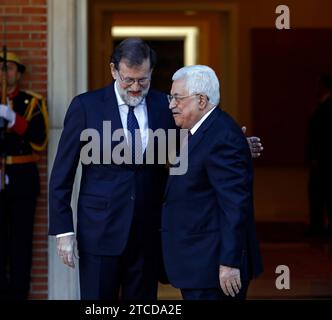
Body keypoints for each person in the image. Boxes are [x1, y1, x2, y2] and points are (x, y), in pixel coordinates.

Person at [48, 38, 263, 300]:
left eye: (143, 80)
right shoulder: (85, 106)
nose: (136, 87)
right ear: (114, 71)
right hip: (100, 233)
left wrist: (238, 144)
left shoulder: (165, 104)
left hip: (149, 232)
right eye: (128, 80)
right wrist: (63, 230)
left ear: (150, 73)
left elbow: (198, 138)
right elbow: (62, 174)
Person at [161, 65, 263, 300]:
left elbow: (234, 206)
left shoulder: (222, 137)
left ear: (201, 100)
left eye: (177, 98)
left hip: (214, 268)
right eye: (170, 97)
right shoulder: (201, 131)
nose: (171, 104)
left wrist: (229, 262)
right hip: (199, 264)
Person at [0, 51, 48, 300]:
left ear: (19, 73)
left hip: (24, 177)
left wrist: (15, 120)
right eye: (1, 68)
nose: (5, 73)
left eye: (11, 68)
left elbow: (40, 138)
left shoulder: (32, 101)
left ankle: (19, 295)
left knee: (21, 242)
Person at [307, 74, 332, 237]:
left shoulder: (326, 108)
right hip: (323, 160)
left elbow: (321, 135)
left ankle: (319, 231)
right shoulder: (323, 106)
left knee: (320, 195)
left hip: (324, 161)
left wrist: (315, 157)